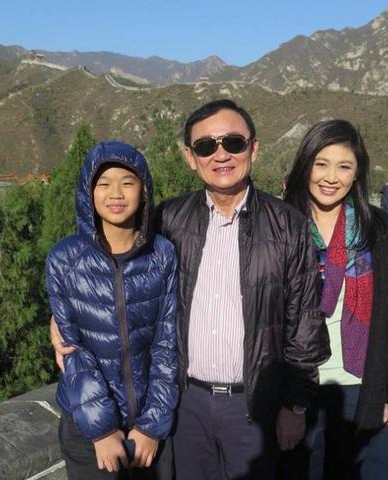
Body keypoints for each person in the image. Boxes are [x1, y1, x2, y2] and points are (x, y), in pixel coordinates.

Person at [53, 99, 330, 479]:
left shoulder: (288, 226)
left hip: (254, 405)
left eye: (233, 142)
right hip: (186, 405)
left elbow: (304, 321)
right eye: (205, 146)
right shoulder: (169, 219)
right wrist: (60, 319)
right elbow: (117, 274)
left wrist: (295, 405)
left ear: (254, 148)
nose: (221, 154)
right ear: (190, 157)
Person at [46, 141, 179, 479]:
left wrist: (152, 426)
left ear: (144, 191)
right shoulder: (64, 259)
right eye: (103, 183)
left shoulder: (162, 254)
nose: (116, 193)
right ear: (87, 193)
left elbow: (167, 343)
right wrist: (102, 430)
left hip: (150, 427)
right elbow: (72, 349)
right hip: (88, 430)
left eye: (127, 182)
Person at [283, 119, 388, 479]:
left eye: (344, 166)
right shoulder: (281, 224)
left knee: (345, 470)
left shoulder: (378, 229)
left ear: (357, 173)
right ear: (305, 165)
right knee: (289, 470)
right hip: (294, 379)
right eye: (321, 164)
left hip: (354, 378)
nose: (331, 177)